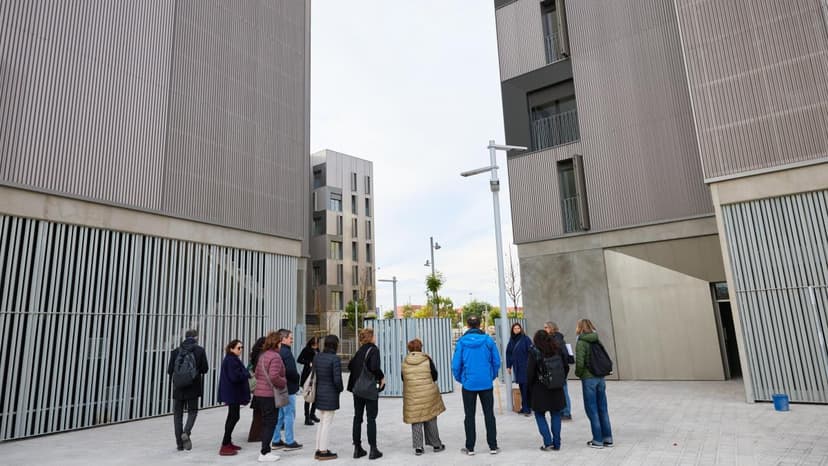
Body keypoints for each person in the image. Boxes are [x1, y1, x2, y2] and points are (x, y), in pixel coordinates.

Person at [451, 315, 501, 456]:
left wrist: (461, 379)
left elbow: (455, 365)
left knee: (469, 416)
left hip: (469, 384)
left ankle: (470, 447)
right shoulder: (488, 340)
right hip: (486, 383)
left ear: (467, 325)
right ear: (480, 325)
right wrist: (491, 376)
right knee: (489, 414)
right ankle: (493, 446)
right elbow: (497, 361)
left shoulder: (461, 342)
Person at [401, 338, 446, 456]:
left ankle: (418, 448)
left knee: (416, 419)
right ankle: (436, 445)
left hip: (412, 395)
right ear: (420, 347)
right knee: (431, 417)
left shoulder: (405, 362)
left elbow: (403, 378)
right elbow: (435, 376)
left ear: (409, 349)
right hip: (428, 393)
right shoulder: (427, 360)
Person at [167, 329, 209, 452]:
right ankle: (186, 432)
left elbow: (170, 370)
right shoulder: (200, 351)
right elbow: (205, 369)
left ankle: (179, 444)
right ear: (196, 338)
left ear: (185, 337)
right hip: (193, 387)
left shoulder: (175, 351)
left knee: (177, 415)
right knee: (192, 412)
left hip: (178, 388)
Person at [347, 328, 386, 460]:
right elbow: (374, 367)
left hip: (357, 389)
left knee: (357, 418)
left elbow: (350, 366)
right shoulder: (373, 350)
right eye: (374, 335)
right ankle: (373, 449)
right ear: (371, 337)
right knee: (371, 419)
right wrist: (381, 377)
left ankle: (357, 449)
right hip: (369, 389)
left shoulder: (359, 351)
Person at [527, 330, 569, 451]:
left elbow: (530, 372)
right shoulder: (557, 349)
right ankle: (557, 443)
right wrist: (560, 380)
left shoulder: (534, 351)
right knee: (556, 414)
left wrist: (530, 386)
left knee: (539, 414)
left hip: (540, 388)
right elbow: (565, 366)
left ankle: (547, 442)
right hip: (556, 387)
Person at [575, 318, 614, 449]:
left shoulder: (581, 342)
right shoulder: (596, 339)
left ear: (579, 327)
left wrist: (579, 374)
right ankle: (608, 438)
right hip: (600, 377)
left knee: (592, 409)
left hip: (588, 378)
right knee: (603, 408)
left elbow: (580, 363)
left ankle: (597, 440)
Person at [253, 331, 287, 462]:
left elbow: (257, 374)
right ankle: (265, 452)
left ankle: (265, 450)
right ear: (277, 343)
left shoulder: (263, 355)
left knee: (266, 422)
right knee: (270, 423)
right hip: (270, 395)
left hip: (260, 394)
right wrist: (283, 382)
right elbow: (274, 376)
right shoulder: (276, 357)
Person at [218, 339, 251, 456]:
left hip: (232, 393)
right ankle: (225, 444)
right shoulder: (231, 360)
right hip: (232, 394)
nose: (241, 350)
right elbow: (235, 377)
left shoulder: (231, 359)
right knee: (234, 417)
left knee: (232, 417)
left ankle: (228, 442)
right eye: (238, 348)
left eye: (242, 348)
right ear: (231, 348)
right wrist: (246, 373)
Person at [313, 335, 343, 461]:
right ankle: (323, 451)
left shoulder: (318, 356)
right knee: (326, 423)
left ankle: (318, 449)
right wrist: (340, 389)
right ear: (335, 345)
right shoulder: (334, 359)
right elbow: (337, 380)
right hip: (330, 394)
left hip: (319, 392)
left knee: (322, 422)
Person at [272, 329, 303, 451]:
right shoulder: (286, 352)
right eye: (290, 338)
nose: (292, 340)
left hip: (279, 388)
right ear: (283, 339)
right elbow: (291, 371)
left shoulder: (277, 351)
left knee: (280, 415)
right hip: (288, 388)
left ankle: (275, 440)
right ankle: (289, 441)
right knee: (289, 415)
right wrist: (297, 378)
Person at [544, 321, 574, 420]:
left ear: (551, 328)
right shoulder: (556, 338)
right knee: (561, 390)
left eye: (546, 327)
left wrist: (562, 367)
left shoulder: (556, 339)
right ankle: (563, 411)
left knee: (563, 390)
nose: (544, 329)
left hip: (559, 369)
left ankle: (566, 412)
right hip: (559, 368)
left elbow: (564, 355)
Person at [506, 322, 533, 416]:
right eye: (515, 328)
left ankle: (526, 408)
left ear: (521, 329)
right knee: (522, 387)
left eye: (518, 328)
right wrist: (508, 366)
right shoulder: (511, 340)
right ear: (512, 330)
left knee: (525, 387)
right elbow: (508, 353)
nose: (517, 330)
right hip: (517, 367)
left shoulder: (526, 339)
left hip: (526, 366)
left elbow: (532, 352)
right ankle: (525, 406)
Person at [298, 336, 321, 425]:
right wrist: (308, 363)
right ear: (312, 343)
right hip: (308, 375)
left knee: (316, 395)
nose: (317, 345)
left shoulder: (318, 350)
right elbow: (299, 359)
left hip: (316, 374)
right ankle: (307, 417)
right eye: (315, 343)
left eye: (317, 343)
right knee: (308, 396)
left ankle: (312, 414)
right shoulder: (306, 350)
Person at [248, 336, 266, 442]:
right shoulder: (262, 355)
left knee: (257, 412)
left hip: (257, 386)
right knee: (260, 413)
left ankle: (255, 434)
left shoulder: (255, 354)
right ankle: (255, 435)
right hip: (261, 385)